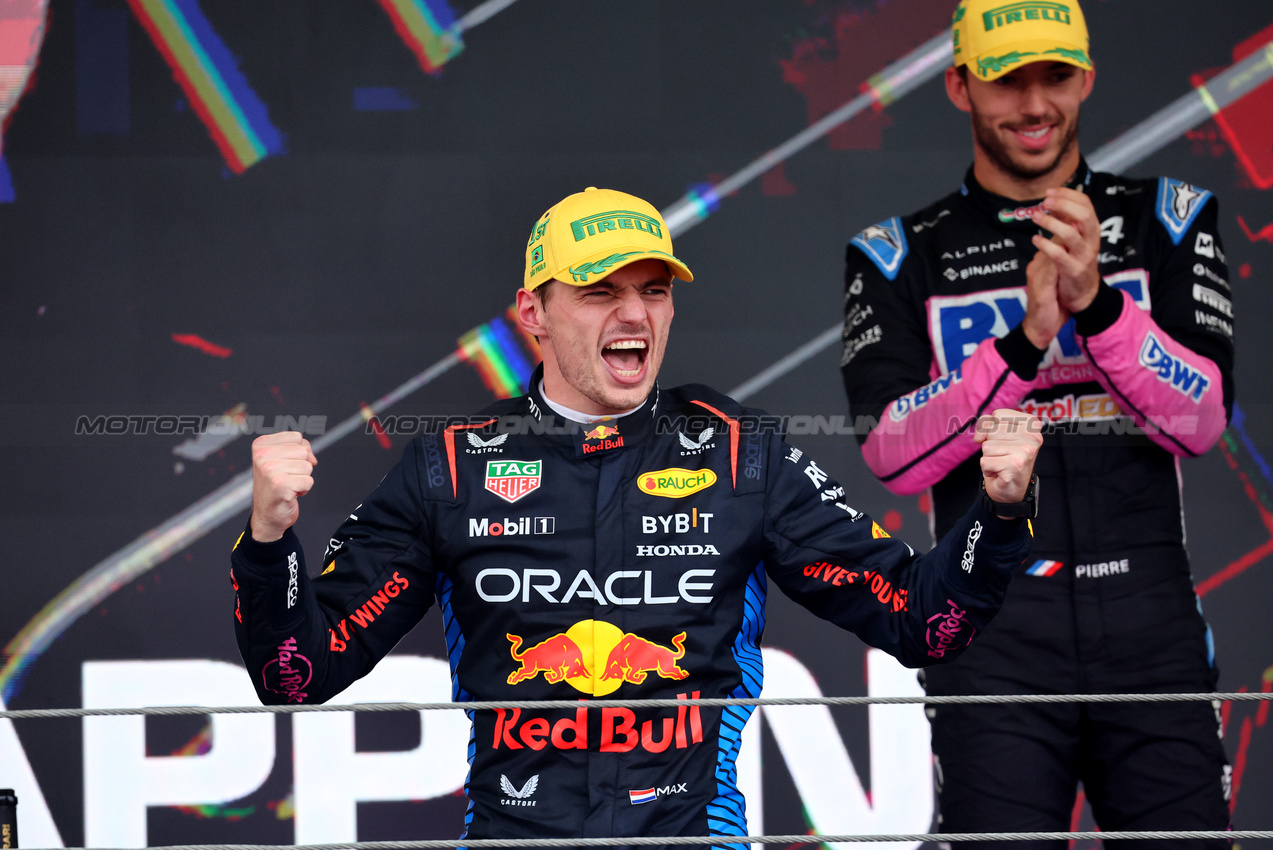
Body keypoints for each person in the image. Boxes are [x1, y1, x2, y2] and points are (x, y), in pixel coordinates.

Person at [232, 186, 1039, 847]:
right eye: (599, 292)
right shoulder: (452, 463)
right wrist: (268, 541)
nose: (634, 315)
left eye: (653, 291)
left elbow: (922, 624)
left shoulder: (737, 453)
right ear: (532, 314)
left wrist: (998, 514)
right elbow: (294, 675)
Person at [840, 0, 1235, 844]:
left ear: (1085, 78)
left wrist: (1097, 306)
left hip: (1150, 625)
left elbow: (1200, 421)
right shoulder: (896, 252)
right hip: (992, 639)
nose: (1033, 104)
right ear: (958, 87)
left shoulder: (1168, 216)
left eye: (1054, 76)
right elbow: (891, 453)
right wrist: (1022, 343)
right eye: (1005, 80)